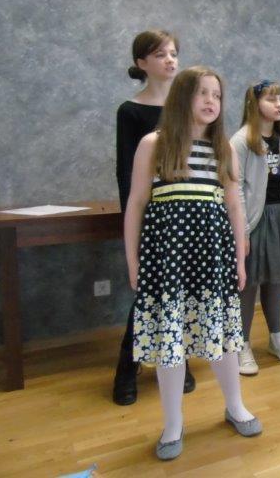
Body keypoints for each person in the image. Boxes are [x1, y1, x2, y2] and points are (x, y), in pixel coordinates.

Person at [125, 66, 261, 460]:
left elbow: (234, 206)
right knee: (170, 341)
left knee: (222, 336)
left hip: (213, 258)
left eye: (216, 95)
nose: (210, 101)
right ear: (182, 97)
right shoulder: (154, 144)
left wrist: (240, 258)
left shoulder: (224, 150)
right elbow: (136, 204)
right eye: (202, 93)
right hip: (166, 260)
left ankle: (235, 406)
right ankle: (173, 423)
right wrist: (133, 260)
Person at [112, 29, 196, 406]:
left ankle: (178, 360)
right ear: (142, 62)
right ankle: (126, 369)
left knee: (183, 291)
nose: (170, 60)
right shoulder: (130, 111)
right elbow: (127, 173)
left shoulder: (188, 107)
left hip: (188, 212)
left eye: (173, 53)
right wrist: (136, 220)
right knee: (151, 293)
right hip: (153, 216)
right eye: (161, 54)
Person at [230, 80, 280, 374]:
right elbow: (235, 188)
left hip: (278, 217)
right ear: (254, 103)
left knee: (274, 280)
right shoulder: (241, 141)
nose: (279, 104)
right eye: (271, 99)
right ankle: (242, 343)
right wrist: (243, 231)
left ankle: (276, 336)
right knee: (247, 284)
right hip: (252, 221)